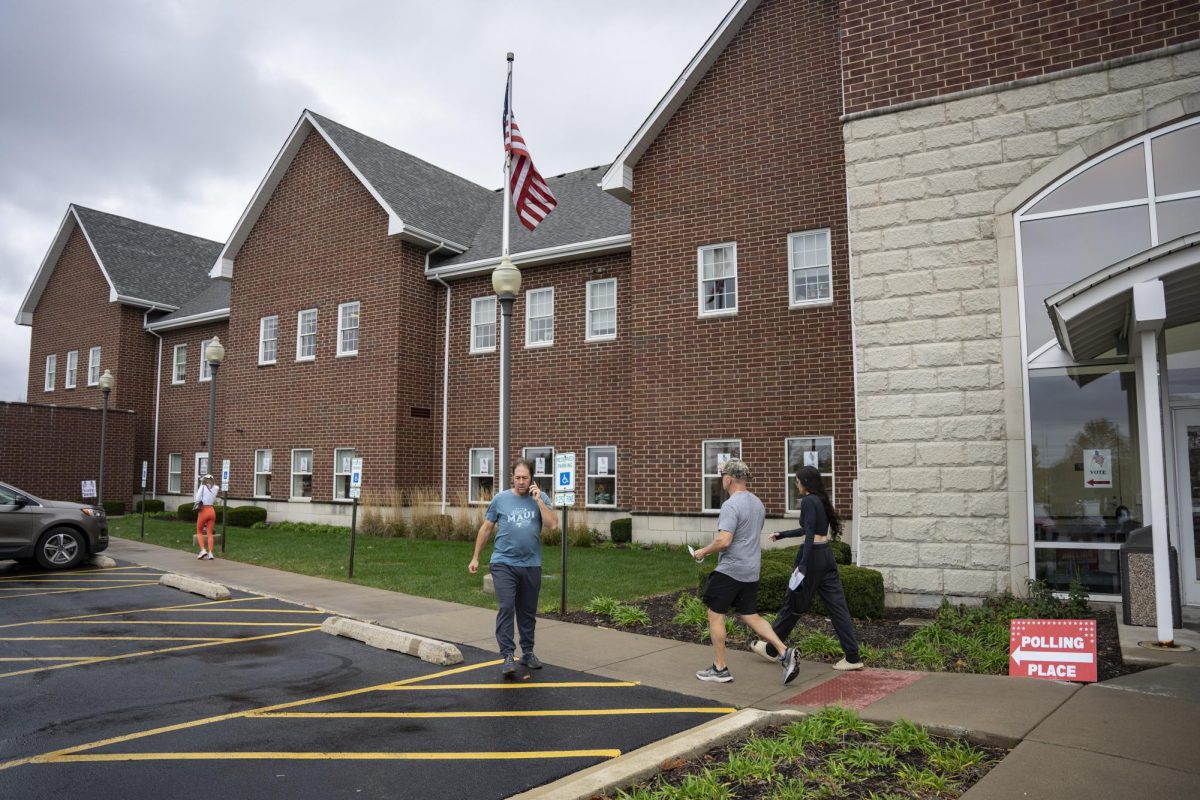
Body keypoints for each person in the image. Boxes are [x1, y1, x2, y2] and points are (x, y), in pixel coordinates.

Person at [691, 458, 800, 685]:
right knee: (750, 614)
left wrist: (703, 551)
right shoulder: (757, 503)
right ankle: (784, 651)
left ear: (729, 478)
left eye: (723, 476)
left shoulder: (730, 505)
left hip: (731, 569)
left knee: (715, 613)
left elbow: (725, 540)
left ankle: (720, 669)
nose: (722, 480)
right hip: (751, 569)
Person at [751, 465, 863, 671]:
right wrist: (782, 534)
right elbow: (808, 529)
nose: (796, 484)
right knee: (838, 608)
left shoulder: (809, 501)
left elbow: (809, 534)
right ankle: (853, 657)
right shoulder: (820, 500)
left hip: (811, 558)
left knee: (792, 605)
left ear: (805, 483)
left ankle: (772, 649)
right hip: (826, 556)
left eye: (797, 481)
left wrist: (803, 565)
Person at [469, 458, 560, 678]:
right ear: (513, 477)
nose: (520, 481)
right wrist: (475, 558)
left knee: (527, 611)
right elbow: (486, 528)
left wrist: (539, 501)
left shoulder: (541, 498)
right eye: (517, 477)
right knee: (507, 606)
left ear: (532, 479)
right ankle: (508, 655)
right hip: (503, 563)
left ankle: (527, 653)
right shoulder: (501, 499)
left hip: (531, 564)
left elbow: (553, 525)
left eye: (525, 478)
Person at [194, 473, 220, 560]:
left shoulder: (202, 487)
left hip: (204, 510)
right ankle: (211, 553)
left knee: (199, 531)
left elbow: (197, 499)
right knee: (209, 533)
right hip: (212, 510)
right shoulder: (216, 488)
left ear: (204, 480)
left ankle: (203, 550)